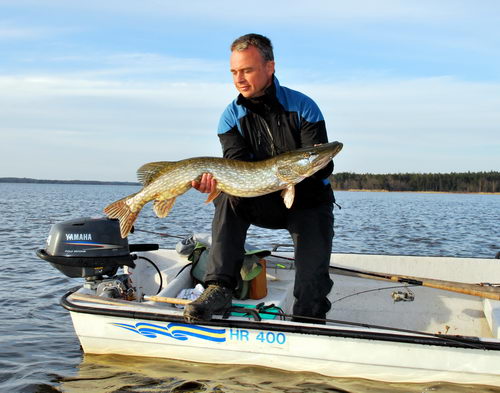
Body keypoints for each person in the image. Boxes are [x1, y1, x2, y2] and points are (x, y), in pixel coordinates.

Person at [183, 33, 334, 324]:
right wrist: (212, 184)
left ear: (269, 67)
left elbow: (321, 167)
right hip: (259, 197)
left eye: (247, 70)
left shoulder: (304, 107)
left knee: (311, 288)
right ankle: (219, 286)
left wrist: (311, 168)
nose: (239, 78)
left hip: (309, 203)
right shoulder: (230, 116)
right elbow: (237, 167)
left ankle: (308, 321)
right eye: (234, 72)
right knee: (227, 195)